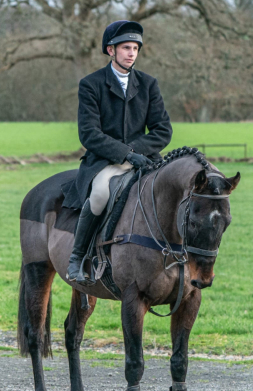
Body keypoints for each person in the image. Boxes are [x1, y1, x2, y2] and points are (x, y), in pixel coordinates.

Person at [63, 20, 173, 284]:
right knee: (100, 194)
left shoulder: (148, 84)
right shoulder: (91, 84)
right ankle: (77, 258)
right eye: (126, 48)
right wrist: (124, 153)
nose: (131, 53)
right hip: (105, 162)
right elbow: (89, 134)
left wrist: (136, 151)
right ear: (111, 50)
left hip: (144, 160)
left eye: (135, 48)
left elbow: (163, 130)